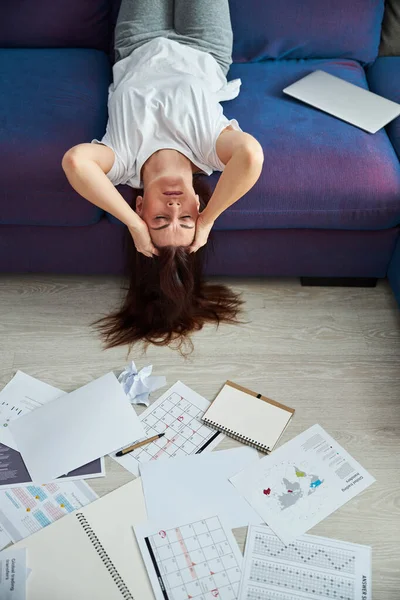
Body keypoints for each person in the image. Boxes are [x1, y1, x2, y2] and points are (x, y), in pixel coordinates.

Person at [62, 0, 263, 352]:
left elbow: (76, 162)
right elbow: (250, 154)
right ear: (198, 205)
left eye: (159, 218)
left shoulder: (123, 161)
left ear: (140, 206)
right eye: (185, 218)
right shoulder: (209, 152)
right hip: (205, 47)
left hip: (138, 42)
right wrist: (209, 219)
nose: (173, 206)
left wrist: (135, 228)